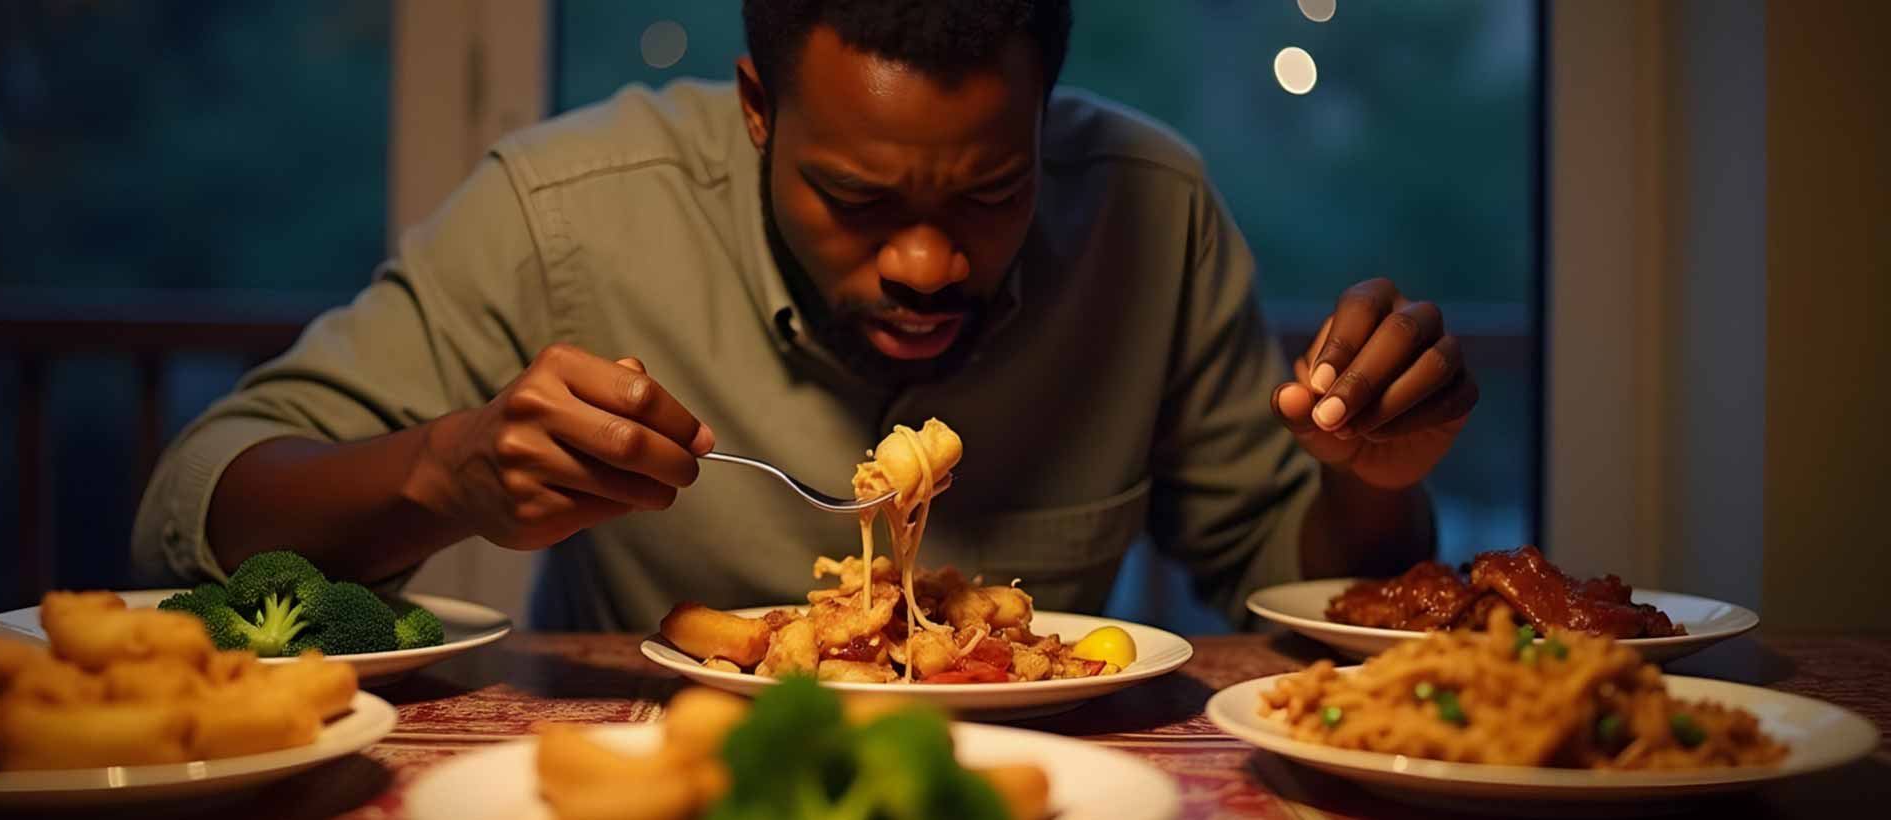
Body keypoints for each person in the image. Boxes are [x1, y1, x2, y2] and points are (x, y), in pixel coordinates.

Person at [131, 0, 1476, 631]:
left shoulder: (1153, 211)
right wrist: (443, 473)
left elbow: (1282, 585)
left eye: (992, 193)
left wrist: (1380, 485)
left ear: (1049, 114)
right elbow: (192, 511)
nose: (929, 266)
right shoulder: (568, 210)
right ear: (756, 110)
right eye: (855, 199)